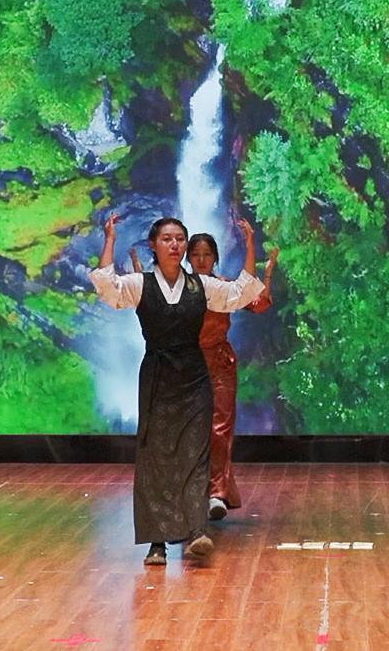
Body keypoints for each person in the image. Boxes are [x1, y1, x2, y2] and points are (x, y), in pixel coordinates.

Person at [89, 213, 264, 566]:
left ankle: (197, 530)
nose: (175, 245)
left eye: (180, 239)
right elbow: (109, 288)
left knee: (196, 453)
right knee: (155, 457)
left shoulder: (201, 286)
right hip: (157, 375)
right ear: (153, 245)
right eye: (167, 239)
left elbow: (238, 293)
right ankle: (157, 542)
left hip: (195, 378)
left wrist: (250, 245)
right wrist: (109, 241)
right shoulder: (141, 284)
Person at [185, 233, 277, 521]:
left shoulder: (224, 287)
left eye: (207, 254)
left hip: (220, 363)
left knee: (219, 428)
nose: (201, 260)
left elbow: (259, 303)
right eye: (196, 254)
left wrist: (267, 273)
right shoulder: (177, 289)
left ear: (215, 258)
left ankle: (217, 494)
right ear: (188, 258)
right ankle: (191, 491)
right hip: (186, 364)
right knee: (190, 429)